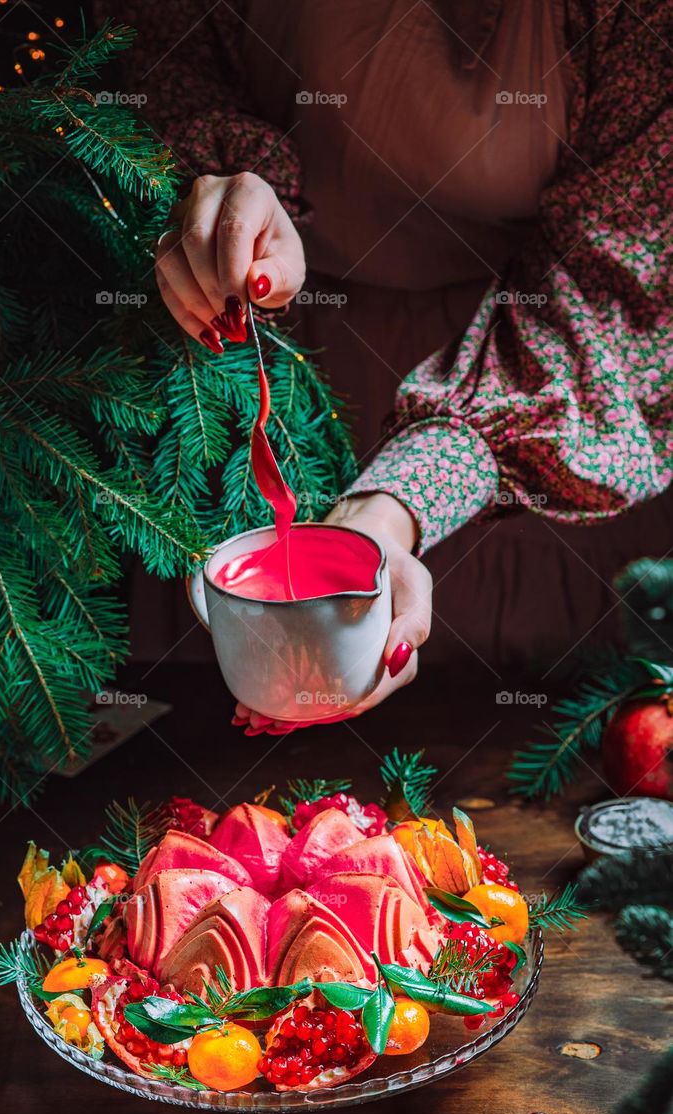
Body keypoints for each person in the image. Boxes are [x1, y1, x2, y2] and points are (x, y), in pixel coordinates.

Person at [109, 0, 673, 730]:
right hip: (269, 371)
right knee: (197, 744)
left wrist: (388, 506)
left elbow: (603, 291)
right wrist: (216, 200)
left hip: (535, 408)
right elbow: (166, 81)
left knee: (505, 746)